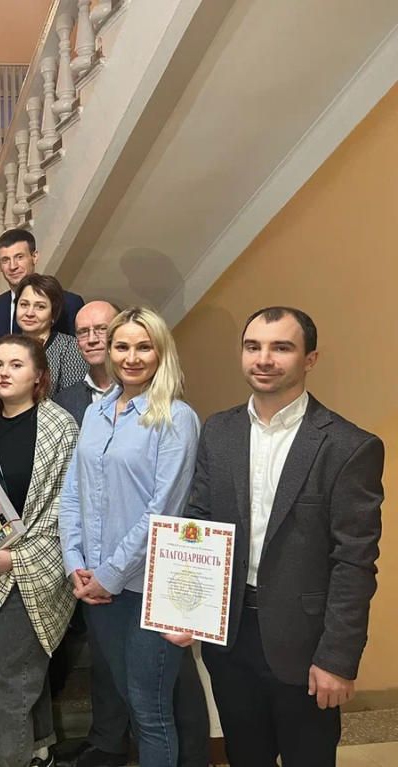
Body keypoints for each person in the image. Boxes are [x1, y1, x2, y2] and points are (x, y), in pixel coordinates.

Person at [175, 306, 384, 767]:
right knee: (245, 756)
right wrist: (187, 608)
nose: (264, 359)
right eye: (253, 347)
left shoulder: (348, 446)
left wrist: (337, 658)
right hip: (230, 638)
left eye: (281, 348)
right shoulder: (219, 431)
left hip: (306, 644)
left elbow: (354, 562)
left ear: (310, 359)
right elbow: (200, 523)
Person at [54, 301, 210, 767]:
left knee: (150, 713)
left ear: (161, 352)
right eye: (122, 346)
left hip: (145, 588)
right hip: (96, 588)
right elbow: (73, 493)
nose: (132, 357)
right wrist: (76, 563)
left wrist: (110, 574)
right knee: (126, 695)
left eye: (144, 347)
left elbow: (164, 510)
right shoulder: (96, 412)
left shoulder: (176, 418)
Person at [0, 335, 80, 767]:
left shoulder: (59, 427)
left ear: (39, 375)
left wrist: (17, 559)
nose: (4, 372)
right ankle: (38, 752)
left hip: (33, 569)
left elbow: (69, 506)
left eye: (16, 365)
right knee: (19, 672)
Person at [0, 229, 84, 337]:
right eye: (5, 260)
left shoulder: (69, 303)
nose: (13, 266)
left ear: (35, 257)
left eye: (19, 257)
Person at [16, 274, 88, 395]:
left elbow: (73, 400)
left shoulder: (69, 347)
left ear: (53, 314)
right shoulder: (7, 346)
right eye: (24, 304)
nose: (29, 313)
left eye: (40, 307)